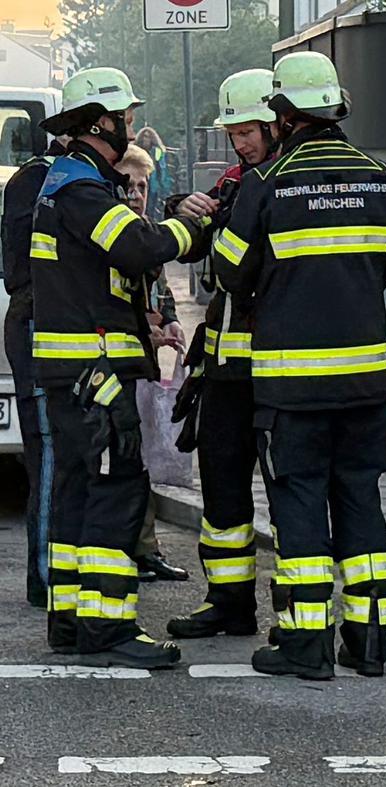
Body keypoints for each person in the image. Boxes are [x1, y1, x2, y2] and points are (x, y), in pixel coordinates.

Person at [211, 51, 386, 680]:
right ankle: (371, 642)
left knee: (299, 505)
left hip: (292, 388)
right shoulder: (379, 176)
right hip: (364, 383)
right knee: (360, 498)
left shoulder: (268, 184)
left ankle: (306, 646)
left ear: (282, 112)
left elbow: (227, 269)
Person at [31, 67, 202, 668]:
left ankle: (73, 622)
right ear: (100, 120)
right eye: (125, 116)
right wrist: (192, 224)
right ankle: (108, 630)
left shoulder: (66, 183)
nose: (130, 124)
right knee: (115, 487)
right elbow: (138, 248)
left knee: (79, 489)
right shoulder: (81, 188)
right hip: (94, 373)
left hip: (75, 372)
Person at [164, 68, 280, 640]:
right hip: (226, 370)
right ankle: (229, 604)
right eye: (234, 133)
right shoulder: (236, 183)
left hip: (283, 369)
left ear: (279, 120)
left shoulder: (289, 184)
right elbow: (206, 246)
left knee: (290, 495)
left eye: (251, 130)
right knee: (223, 491)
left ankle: (299, 617)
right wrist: (181, 206)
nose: (241, 142)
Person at [111, 143, 191, 584]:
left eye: (142, 186)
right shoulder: (111, 235)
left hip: (141, 365)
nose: (137, 194)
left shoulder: (147, 233)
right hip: (115, 367)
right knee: (122, 464)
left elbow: (162, 293)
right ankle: (130, 551)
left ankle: (146, 550)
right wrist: (146, 327)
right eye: (128, 185)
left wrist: (174, 323)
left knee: (139, 463)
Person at [3, 135, 65, 608]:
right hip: (37, 323)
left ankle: (53, 571)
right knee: (46, 452)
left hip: (36, 322)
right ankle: (45, 576)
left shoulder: (36, 178)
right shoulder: (48, 180)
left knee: (51, 454)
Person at [135, 127, 174, 220]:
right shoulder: (136, 150)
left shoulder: (157, 151)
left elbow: (162, 168)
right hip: (139, 182)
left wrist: (165, 187)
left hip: (153, 183)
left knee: (152, 208)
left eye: (148, 137)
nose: (146, 139)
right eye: (144, 136)